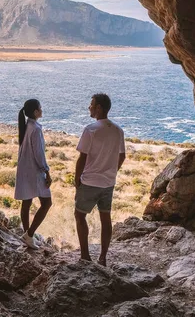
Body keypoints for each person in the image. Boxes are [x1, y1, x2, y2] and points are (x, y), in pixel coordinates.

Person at [74, 93, 126, 266]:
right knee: (106, 218)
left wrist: (77, 179)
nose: (89, 107)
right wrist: (112, 171)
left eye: (91, 104)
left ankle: (85, 256)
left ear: (99, 108)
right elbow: (122, 155)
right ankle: (103, 257)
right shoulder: (118, 130)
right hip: (108, 183)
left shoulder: (91, 129)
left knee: (79, 215)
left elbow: (82, 158)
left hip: (89, 181)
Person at [14, 98, 52, 249]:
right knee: (47, 203)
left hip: (24, 169)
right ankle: (29, 235)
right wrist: (47, 171)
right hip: (34, 171)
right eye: (40, 108)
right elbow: (39, 154)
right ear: (36, 111)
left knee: (27, 201)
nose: (42, 110)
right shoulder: (35, 129)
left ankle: (26, 235)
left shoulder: (27, 126)